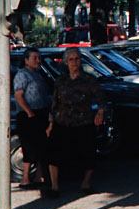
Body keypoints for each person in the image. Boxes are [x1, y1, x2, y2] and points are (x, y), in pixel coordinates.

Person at [44, 48, 106, 198]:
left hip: (83, 121)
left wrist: (100, 113)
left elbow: (101, 100)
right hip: (62, 121)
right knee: (54, 154)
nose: (74, 63)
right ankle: (54, 186)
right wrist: (50, 123)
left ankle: (86, 183)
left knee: (89, 153)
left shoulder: (89, 80)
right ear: (66, 62)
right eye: (71, 60)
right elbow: (55, 103)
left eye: (77, 59)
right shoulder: (61, 80)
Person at [13, 48, 51, 189]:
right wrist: (29, 112)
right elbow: (18, 95)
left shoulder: (38, 74)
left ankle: (39, 176)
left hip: (41, 113)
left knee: (42, 145)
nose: (38, 60)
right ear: (26, 60)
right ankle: (25, 178)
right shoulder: (22, 75)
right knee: (29, 146)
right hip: (28, 115)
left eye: (38, 57)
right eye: (34, 58)